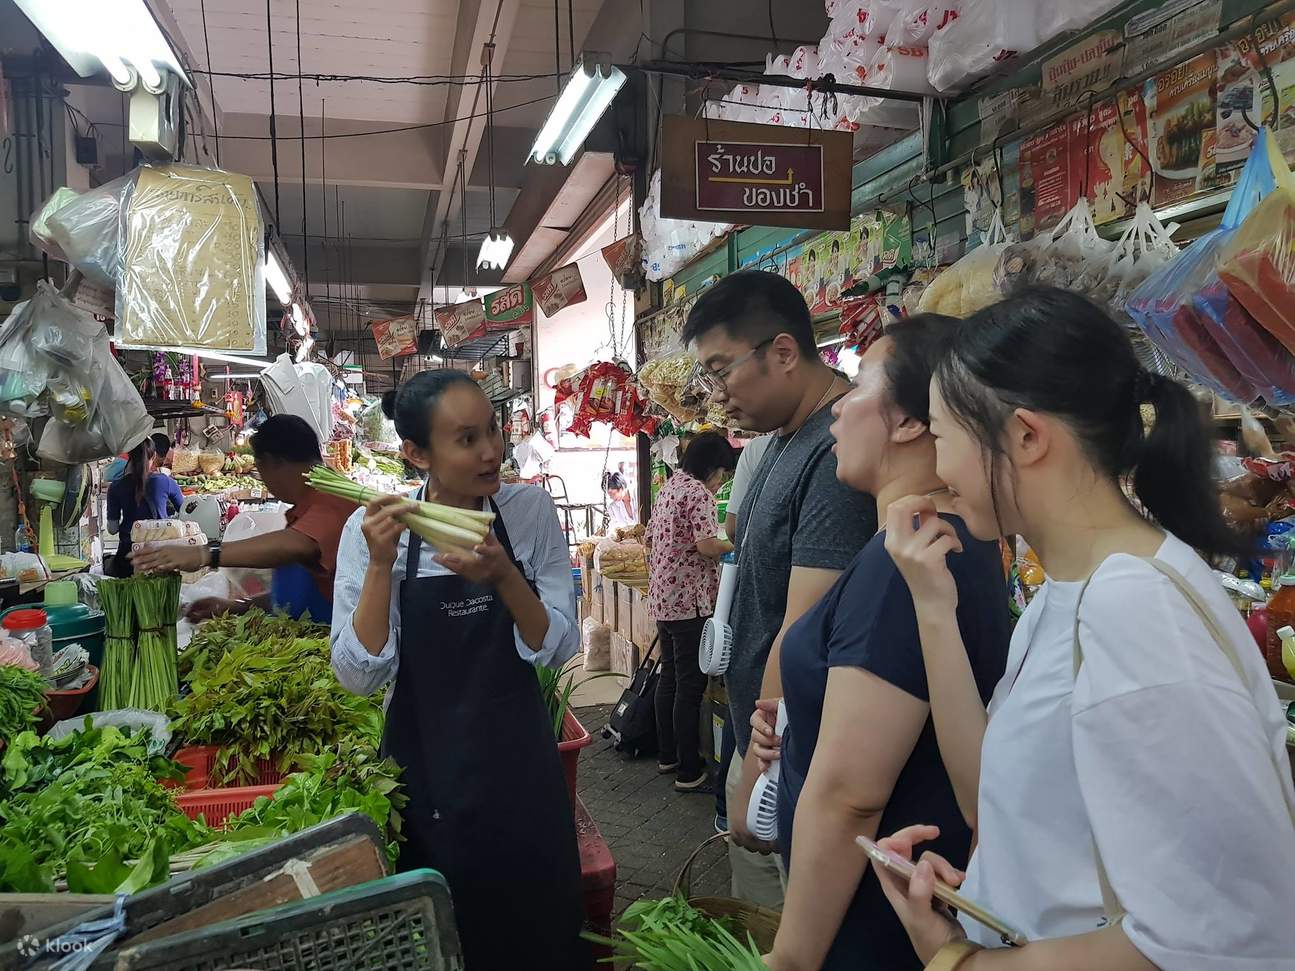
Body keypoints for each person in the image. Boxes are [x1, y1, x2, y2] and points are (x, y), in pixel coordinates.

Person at [875, 287, 1295, 970]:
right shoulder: (1072, 592)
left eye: (943, 436)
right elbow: (994, 795)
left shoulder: (1133, 609)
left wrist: (963, 961)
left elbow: (1218, 935)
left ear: (1025, 436)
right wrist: (931, 607)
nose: (935, 467)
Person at [755, 317, 1010, 971]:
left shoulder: (903, 565)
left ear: (908, 421)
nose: (838, 405)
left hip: (872, 922)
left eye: (860, 381)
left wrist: (789, 957)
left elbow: (850, 795)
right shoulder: (938, 544)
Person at [329, 369, 586, 969]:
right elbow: (358, 675)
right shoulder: (371, 530)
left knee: (539, 934)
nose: (492, 451)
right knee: (445, 937)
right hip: (427, 777)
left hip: (520, 769)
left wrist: (503, 578)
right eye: (467, 439)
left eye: (492, 431)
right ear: (416, 454)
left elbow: (556, 645)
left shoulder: (527, 512)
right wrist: (379, 565)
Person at [682, 269, 877, 908]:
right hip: (766, 734)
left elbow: (805, 624)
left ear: (785, 353)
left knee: (792, 920)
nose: (715, 395)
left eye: (720, 371)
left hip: (795, 745)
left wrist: (757, 770)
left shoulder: (833, 454)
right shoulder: (783, 441)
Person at [130, 415, 358, 623]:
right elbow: (300, 593)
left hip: (330, 645)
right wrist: (238, 607)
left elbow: (298, 544)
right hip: (306, 634)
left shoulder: (332, 499)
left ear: (273, 463)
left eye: (260, 469)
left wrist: (204, 554)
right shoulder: (305, 507)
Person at [644, 431, 736, 791]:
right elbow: (708, 545)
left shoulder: (671, 486)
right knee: (689, 687)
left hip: (664, 598)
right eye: (722, 475)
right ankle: (688, 771)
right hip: (689, 602)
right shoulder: (698, 493)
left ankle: (668, 756)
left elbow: (650, 536)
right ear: (712, 468)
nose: (721, 483)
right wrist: (736, 541)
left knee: (670, 678)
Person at [106, 437, 183, 577]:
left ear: (129, 456)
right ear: (153, 455)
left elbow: (112, 529)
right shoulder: (165, 481)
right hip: (160, 555)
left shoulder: (115, 487)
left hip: (129, 556)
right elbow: (184, 512)